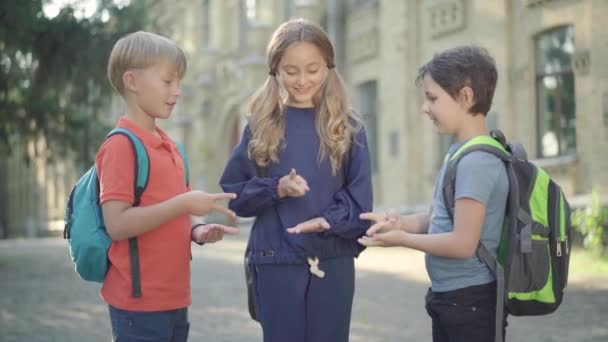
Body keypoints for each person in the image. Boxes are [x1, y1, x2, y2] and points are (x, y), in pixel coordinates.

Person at [219, 18, 373, 342]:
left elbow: (360, 201)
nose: (302, 80)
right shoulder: (261, 126)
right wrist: (277, 188)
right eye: (291, 71)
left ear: (329, 67)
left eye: (313, 69)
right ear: (275, 71)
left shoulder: (350, 128)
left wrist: (326, 221)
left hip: (332, 258)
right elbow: (234, 193)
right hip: (275, 260)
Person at [358, 46, 509, 342]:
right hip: (452, 298)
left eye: (432, 98)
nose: (424, 108)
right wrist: (399, 224)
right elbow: (438, 219)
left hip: (471, 302)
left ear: (466, 97)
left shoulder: (477, 162)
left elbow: (463, 244)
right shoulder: (460, 153)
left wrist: (403, 241)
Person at [99, 31, 238, 341]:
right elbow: (117, 224)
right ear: (132, 81)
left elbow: (173, 213)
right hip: (138, 305)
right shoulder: (121, 146)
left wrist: (197, 229)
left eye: (179, 83)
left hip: (175, 298)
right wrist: (185, 204)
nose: (177, 92)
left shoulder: (172, 148)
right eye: (167, 82)